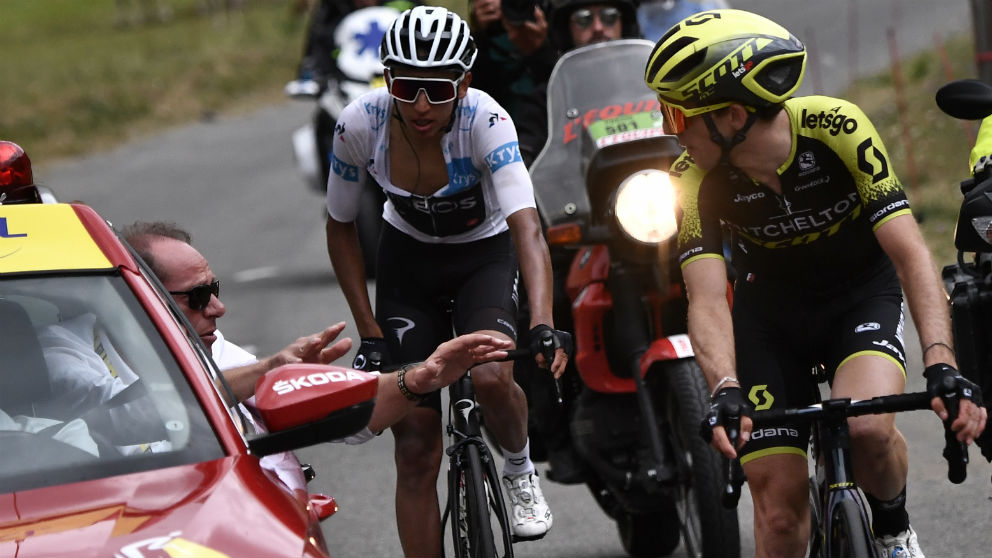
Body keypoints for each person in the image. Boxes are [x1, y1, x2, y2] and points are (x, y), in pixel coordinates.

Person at [643, 9, 986, 558]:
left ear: (732, 115)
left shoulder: (838, 129)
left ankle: (893, 527)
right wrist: (725, 386)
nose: (667, 129)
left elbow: (911, 256)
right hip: (769, 316)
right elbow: (706, 297)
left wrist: (942, 362)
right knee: (779, 515)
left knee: (868, 433)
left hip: (860, 296)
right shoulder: (690, 177)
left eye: (676, 113)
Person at [324, 6, 569, 555]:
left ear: (465, 82)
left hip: (484, 254)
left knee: (489, 377)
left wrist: (544, 323)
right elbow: (340, 227)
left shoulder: (486, 120)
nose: (421, 106)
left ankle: (519, 467)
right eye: (407, 87)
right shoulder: (359, 123)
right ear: (388, 80)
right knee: (413, 449)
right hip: (408, 261)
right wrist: (369, 330)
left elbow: (527, 230)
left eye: (438, 89)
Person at [516, 0, 639, 165]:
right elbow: (525, 155)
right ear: (566, 30)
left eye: (609, 17)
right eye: (583, 19)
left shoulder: (649, 85)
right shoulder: (549, 99)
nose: (598, 28)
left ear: (623, 24)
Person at [469, 0, 557, 122]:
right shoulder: (488, 42)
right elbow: (476, 101)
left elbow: (565, 91)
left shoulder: (560, 21)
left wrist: (540, 51)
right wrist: (481, 34)